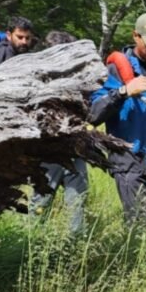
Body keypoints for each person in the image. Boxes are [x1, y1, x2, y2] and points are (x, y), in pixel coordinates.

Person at [87, 12, 146, 222]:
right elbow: (93, 114)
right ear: (135, 36)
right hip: (129, 159)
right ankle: (134, 255)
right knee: (138, 222)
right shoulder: (114, 70)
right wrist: (123, 92)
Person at [29, 30, 89, 234]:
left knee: (77, 203)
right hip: (48, 152)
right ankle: (29, 247)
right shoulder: (37, 81)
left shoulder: (80, 81)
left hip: (75, 150)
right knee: (40, 203)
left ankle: (74, 251)